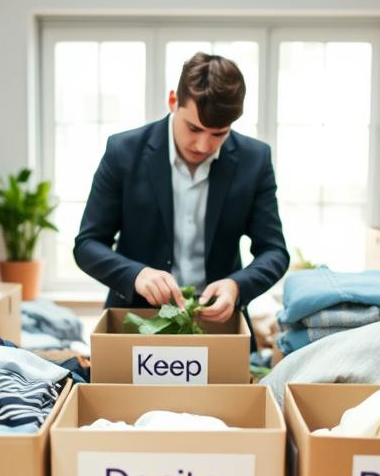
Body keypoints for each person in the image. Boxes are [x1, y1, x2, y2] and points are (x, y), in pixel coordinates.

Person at [74, 52, 289, 323]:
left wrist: (237, 286)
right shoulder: (123, 151)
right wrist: (136, 274)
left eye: (219, 134)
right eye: (194, 128)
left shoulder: (254, 160)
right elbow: (87, 244)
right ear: (173, 100)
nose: (203, 146)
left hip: (219, 321)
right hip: (137, 318)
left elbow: (275, 251)